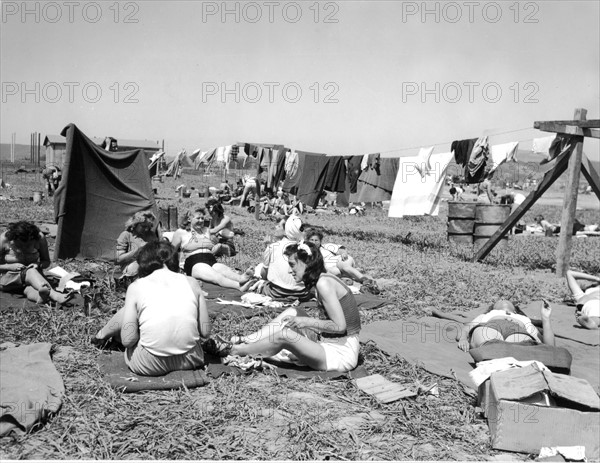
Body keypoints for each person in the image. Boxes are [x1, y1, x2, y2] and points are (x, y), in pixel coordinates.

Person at [205, 241, 362, 372]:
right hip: (332, 343)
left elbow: (340, 327)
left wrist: (306, 322)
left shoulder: (324, 284)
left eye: (292, 265)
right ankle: (246, 340)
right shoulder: (323, 280)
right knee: (293, 311)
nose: (289, 270)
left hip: (340, 354)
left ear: (307, 262)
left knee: (285, 335)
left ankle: (234, 350)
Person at [91, 241, 211, 376]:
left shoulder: (136, 287)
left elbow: (128, 340)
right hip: (191, 359)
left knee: (129, 311)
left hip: (149, 363)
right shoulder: (192, 283)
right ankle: (102, 335)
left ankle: (101, 336)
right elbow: (205, 332)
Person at [170, 208, 254, 291]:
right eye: (198, 218)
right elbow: (171, 252)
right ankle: (238, 286)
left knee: (224, 269)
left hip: (210, 259)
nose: (201, 220)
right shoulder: (180, 232)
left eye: (202, 218)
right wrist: (174, 269)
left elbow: (211, 247)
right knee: (217, 276)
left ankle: (241, 278)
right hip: (194, 262)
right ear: (189, 219)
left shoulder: (206, 230)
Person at [0, 221, 72, 304]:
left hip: (30, 282)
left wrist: (38, 264)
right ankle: (55, 295)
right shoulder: (4, 239)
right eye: (19, 246)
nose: (23, 248)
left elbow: (46, 261)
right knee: (30, 271)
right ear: (13, 240)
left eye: (27, 246)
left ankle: (40, 298)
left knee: (35, 289)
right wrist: (9, 267)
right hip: (7, 280)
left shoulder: (40, 238)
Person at [455, 299, 555, 352]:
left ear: (515, 310)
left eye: (507, 300)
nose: (503, 299)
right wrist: (463, 339)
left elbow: (549, 347)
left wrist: (545, 318)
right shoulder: (486, 315)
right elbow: (465, 330)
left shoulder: (525, 319)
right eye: (499, 300)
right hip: (489, 327)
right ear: (493, 308)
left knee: (519, 347)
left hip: (517, 330)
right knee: (489, 346)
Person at [254, 215, 310, 301]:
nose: (276, 227)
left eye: (279, 226)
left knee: (259, 269)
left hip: (276, 292)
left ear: (286, 230)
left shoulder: (274, 246)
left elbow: (264, 275)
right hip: (302, 294)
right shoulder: (306, 248)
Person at [305, 229, 376, 286]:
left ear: (320, 241)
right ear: (308, 241)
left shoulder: (327, 246)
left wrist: (343, 254)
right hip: (330, 269)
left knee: (344, 266)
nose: (314, 242)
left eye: (316, 240)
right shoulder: (306, 252)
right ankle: (346, 278)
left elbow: (341, 250)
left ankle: (364, 279)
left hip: (340, 261)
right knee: (334, 271)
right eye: (312, 240)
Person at [115, 211, 158, 279]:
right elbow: (119, 259)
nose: (146, 229)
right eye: (143, 226)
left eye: (148, 227)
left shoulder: (151, 235)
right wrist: (138, 250)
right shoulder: (126, 235)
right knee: (139, 267)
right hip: (132, 265)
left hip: (149, 263)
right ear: (135, 224)